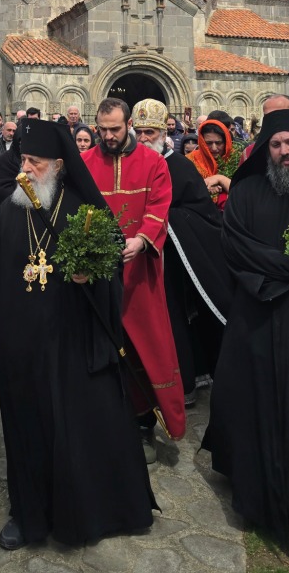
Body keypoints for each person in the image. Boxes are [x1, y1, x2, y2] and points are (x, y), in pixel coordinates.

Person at [0, 119, 157, 550]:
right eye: (22, 160)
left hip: (70, 342)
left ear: (59, 165)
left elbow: (111, 264)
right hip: (20, 345)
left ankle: (85, 511)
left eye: (34, 162)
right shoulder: (13, 207)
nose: (24, 169)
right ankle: (28, 514)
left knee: (74, 431)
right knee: (26, 431)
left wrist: (90, 275)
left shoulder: (84, 208)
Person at [201, 110, 289, 547]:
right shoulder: (248, 192)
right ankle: (257, 495)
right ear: (264, 149)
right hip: (257, 312)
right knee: (253, 399)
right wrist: (284, 270)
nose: (285, 152)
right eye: (276, 144)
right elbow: (235, 246)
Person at [82, 98, 185, 462]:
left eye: (115, 129)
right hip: (96, 275)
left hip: (140, 274)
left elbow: (159, 208)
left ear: (128, 125)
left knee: (142, 348)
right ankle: (105, 422)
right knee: (101, 347)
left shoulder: (155, 163)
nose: (108, 136)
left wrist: (141, 240)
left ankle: (143, 424)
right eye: (102, 129)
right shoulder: (85, 162)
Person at [130, 99, 231, 408]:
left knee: (176, 320)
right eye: (139, 131)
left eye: (150, 132)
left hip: (176, 262)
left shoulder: (181, 166)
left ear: (163, 133)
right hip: (139, 261)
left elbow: (203, 215)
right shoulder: (131, 164)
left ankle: (183, 383)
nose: (144, 138)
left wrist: (165, 220)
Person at [188, 118, 237, 209]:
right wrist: (205, 188)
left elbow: (242, 193)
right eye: (208, 143)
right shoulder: (190, 160)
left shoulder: (236, 158)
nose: (214, 148)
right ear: (202, 142)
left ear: (226, 141)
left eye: (218, 143)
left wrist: (220, 179)